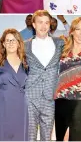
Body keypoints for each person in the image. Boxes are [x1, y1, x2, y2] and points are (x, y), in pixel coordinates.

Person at [24, 10, 64, 141]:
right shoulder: (25, 45)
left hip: (50, 96)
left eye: (46, 22)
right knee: (30, 136)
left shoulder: (60, 43)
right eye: (40, 22)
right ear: (34, 24)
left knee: (46, 136)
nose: (43, 26)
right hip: (30, 96)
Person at [0, 29, 29, 141]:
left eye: (13, 40)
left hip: (22, 107)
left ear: (18, 43)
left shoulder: (26, 62)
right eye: (7, 41)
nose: (11, 43)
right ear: (3, 44)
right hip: (3, 106)